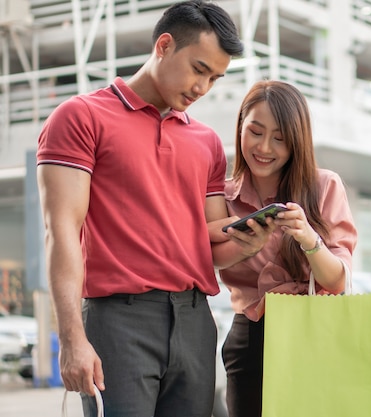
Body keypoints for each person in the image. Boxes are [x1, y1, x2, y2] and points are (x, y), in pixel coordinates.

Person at [36, 2, 273, 416]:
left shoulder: (207, 142)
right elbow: (62, 232)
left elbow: (212, 242)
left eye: (215, 78)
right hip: (118, 322)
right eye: (199, 69)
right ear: (164, 45)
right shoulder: (81, 117)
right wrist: (72, 338)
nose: (203, 87)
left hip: (195, 320)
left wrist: (253, 240)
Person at [211, 80, 358, 417]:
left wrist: (308, 238)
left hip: (314, 333)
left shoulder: (324, 186)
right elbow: (208, 258)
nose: (264, 147)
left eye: (280, 138)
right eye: (255, 131)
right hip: (250, 338)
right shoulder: (222, 196)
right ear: (240, 128)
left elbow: (337, 280)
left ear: (296, 142)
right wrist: (245, 245)